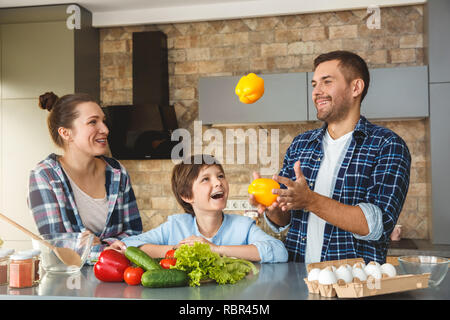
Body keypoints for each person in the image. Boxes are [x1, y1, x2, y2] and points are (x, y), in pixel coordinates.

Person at [250, 50, 411, 264]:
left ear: (356, 87)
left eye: (326, 82)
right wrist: (273, 209)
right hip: (297, 282)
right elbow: (284, 220)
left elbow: (375, 226)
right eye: (314, 84)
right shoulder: (301, 144)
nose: (317, 92)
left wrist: (310, 200)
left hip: (355, 286)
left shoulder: (387, 145)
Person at [108, 154, 288, 263]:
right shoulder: (175, 226)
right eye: (206, 179)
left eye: (220, 176)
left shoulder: (243, 226)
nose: (218, 182)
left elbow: (279, 251)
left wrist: (216, 250)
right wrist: (179, 251)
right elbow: (129, 245)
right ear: (187, 196)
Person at [28, 92, 143, 261]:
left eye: (103, 121)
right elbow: (57, 246)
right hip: (67, 281)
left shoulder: (117, 172)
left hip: (116, 276)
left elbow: (134, 233)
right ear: (66, 133)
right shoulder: (45, 176)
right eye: (92, 122)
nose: (105, 129)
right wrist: (111, 248)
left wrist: (96, 245)